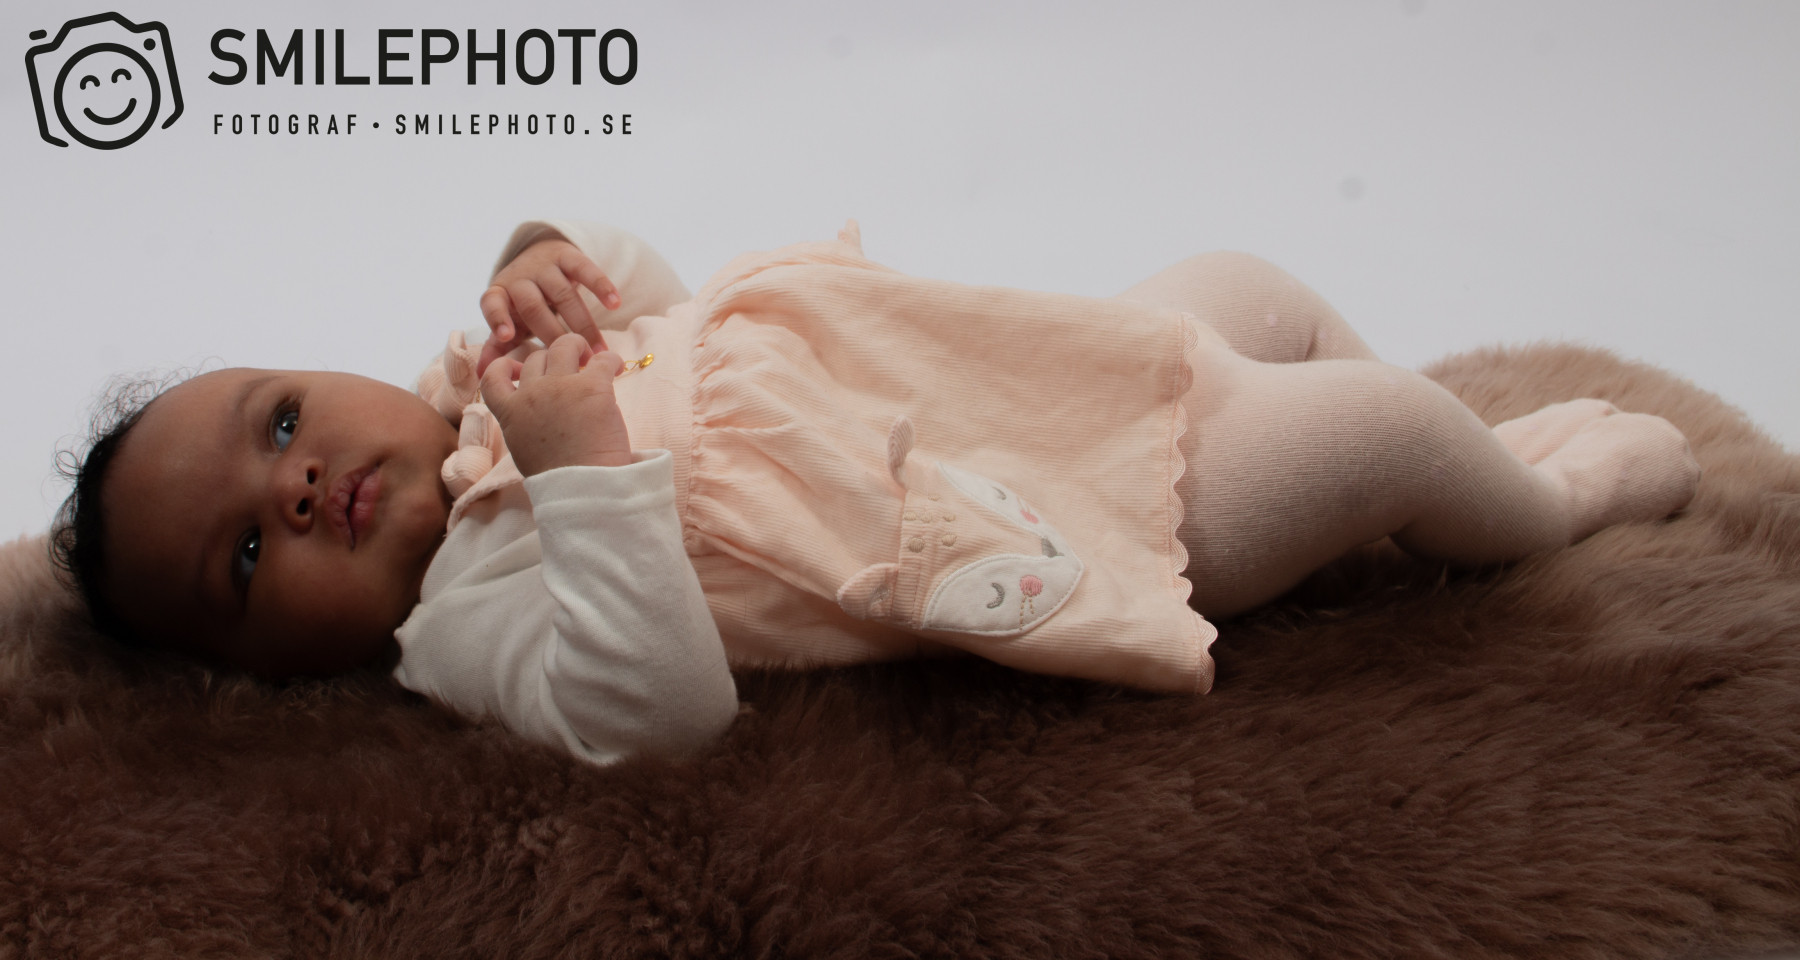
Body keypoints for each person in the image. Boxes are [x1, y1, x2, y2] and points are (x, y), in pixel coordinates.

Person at [48, 219, 1702, 766]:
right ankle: (1538, 509)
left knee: (1246, 285)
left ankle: (1439, 480)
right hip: (1079, 517)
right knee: (1376, 431)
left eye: (279, 423)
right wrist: (581, 470)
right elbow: (655, 707)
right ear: (268, 670)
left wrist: (548, 258)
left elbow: (661, 294)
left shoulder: (478, 376)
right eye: (245, 554)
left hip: (1040, 373)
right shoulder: (465, 620)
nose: (300, 486)